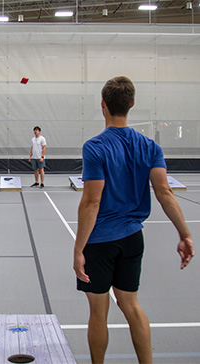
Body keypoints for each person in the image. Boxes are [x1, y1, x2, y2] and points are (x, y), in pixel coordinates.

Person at [73, 76, 194, 364]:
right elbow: (164, 192)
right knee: (131, 305)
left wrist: (79, 249)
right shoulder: (150, 147)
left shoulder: (95, 147)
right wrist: (185, 234)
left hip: (100, 241)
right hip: (132, 239)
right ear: (132, 105)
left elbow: (92, 201)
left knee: (98, 312)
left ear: (103, 104)